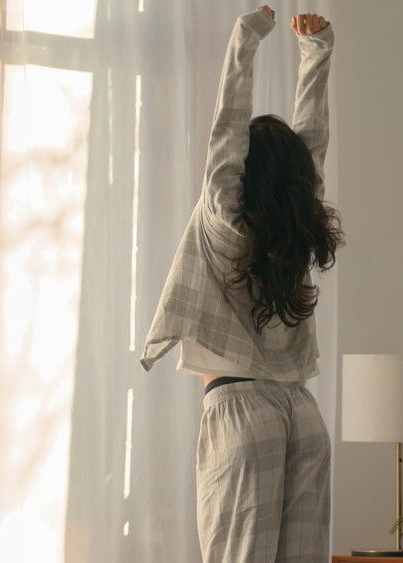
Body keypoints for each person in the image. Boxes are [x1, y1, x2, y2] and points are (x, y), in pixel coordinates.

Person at [139, 4, 341, 561]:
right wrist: (317, 52)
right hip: (303, 413)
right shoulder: (298, 231)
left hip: (241, 412)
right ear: (296, 179)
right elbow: (313, 142)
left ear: (245, 171)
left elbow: (227, 125)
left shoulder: (226, 221)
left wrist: (246, 36)